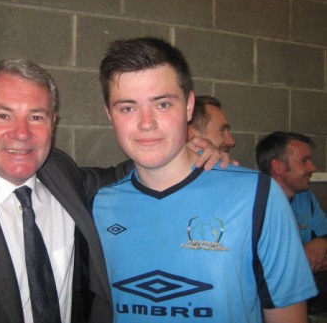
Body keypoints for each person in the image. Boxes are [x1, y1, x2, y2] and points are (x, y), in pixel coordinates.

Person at [0, 59, 223, 323]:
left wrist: (185, 144)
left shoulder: (60, 174)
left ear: (53, 123)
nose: (22, 133)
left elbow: (125, 169)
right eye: (3, 116)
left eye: (36, 116)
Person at [92, 37, 317, 323]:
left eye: (162, 104)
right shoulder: (100, 204)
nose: (146, 123)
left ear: (188, 106)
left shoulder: (257, 195)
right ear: (109, 114)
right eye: (127, 108)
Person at [256, 132, 327, 315]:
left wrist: (321, 243)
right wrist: (300, 259)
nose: (313, 167)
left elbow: (324, 231)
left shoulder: (306, 197)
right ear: (278, 166)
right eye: (305, 161)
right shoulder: (253, 204)